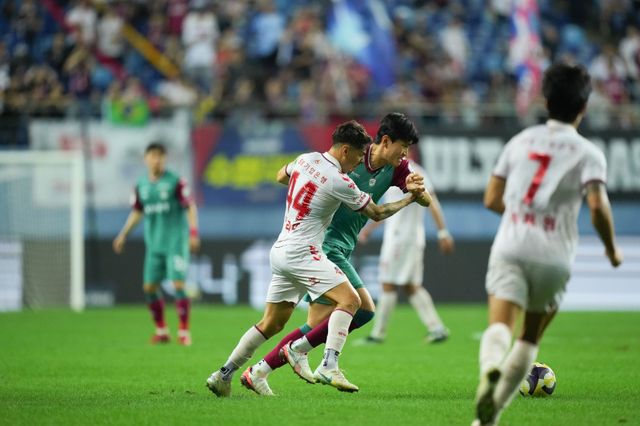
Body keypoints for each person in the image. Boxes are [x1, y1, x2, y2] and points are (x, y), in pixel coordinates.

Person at [206, 120, 427, 397]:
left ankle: (225, 374)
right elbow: (377, 213)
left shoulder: (305, 159)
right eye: (358, 155)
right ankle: (327, 364)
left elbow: (280, 175)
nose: (358, 162)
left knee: (272, 323)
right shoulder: (340, 180)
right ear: (345, 150)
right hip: (308, 253)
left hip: (281, 249)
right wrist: (409, 200)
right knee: (353, 303)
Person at [472, 63, 623, 426]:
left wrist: (520, 214)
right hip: (554, 254)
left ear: (545, 101)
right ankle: (490, 417)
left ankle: (490, 367)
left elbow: (491, 199)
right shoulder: (589, 153)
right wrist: (611, 249)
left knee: (500, 326)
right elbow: (597, 207)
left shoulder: (520, 141)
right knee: (529, 337)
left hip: (511, 244)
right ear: (584, 107)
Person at [358, 158, 455, 344]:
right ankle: (437, 328)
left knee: (388, 284)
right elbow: (391, 210)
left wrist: (443, 232)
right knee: (411, 287)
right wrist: (370, 229)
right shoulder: (393, 171)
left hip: (401, 239)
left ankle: (377, 334)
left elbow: (432, 202)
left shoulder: (412, 172)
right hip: (407, 238)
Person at [113, 142, 200, 345]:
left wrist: (193, 233)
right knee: (149, 287)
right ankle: (162, 330)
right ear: (146, 159)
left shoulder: (176, 182)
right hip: (154, 245)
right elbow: (137, 212)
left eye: (160, 156)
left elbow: (190, 207)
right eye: (153, 155)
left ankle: (183, 331)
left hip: (176, 243)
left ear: (165, 159)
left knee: (178, 284)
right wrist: (123, 234)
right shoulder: (141, 185)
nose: (157, 160)